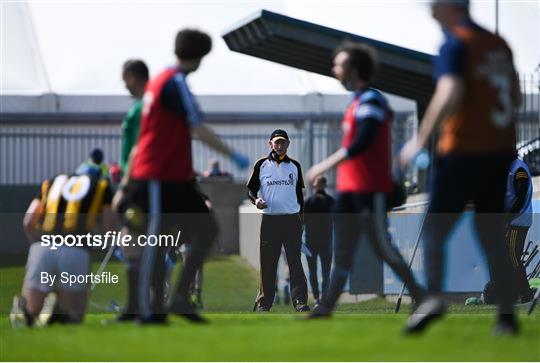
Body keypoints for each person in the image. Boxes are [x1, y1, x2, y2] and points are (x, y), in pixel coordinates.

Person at [398, 0, 521, 335]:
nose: (430, 11)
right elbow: (517, 97)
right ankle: (507, 317)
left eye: (434, 6)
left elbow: (450, 89)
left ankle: (434, 297)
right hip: (498, 152)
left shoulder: (456, 42)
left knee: (436, 228)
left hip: (464, 149)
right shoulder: (498, 44)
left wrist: (420, 139)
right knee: (491, 232)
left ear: (449, 6)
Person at [115, 28, 248, 324]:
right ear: (200, 57)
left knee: (207, 229)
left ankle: (176, 299)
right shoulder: (174, 82)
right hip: (157, 174)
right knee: (154, 238)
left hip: (173, 177)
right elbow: (196, 126)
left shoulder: (162, 81)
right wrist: (232, 154)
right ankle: (147, 310)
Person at [305, 42, 424, 319]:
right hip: (348, 189)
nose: (334, 70)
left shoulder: (372, 100)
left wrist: (324, 164)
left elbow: (363, 140)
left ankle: (422, 296)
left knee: (382, 247)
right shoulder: (356, 102)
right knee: (343, 252)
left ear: (354, 69)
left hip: (370, 189)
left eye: (339, 64)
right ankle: (325, 308)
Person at [10, 165, 115, 327]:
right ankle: (58, 312)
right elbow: (109, 224)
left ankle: (26, 313)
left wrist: (35, 246)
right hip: (76, 250)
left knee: (30, 311)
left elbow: (28, 221)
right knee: (74, 317)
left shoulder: (52, 182)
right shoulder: (101, 185)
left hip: (43, 247)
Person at [247, 129, 310, 312]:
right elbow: (250, 190)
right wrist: (256, 200)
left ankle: (300, 301)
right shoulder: (261, 165)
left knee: (295, 263)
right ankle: (264, 303)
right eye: (277, 142)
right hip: (270, 221)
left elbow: (300, 197)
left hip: (292, 221)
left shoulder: (295, 166)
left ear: (288, 144)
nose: (280, 146)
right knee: (268, 263)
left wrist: (302, 222)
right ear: (270, 144)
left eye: (283, 143)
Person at [483, 158, 534, 304]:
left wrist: (507, 218)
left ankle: (525, 293)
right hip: (507, 220)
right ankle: (500, 293)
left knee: (512, 257)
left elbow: (521, 197)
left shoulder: (518, 169)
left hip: (517, 221)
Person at [304, 175, 334, 304]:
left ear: (314, 185)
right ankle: (323, 297)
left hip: (311, 241)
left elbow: (301, 221)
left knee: (313, 271)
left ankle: (317, 298)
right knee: (325, 272)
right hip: (325, 241)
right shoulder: (331, 201)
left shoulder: (308, 201)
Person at [120, 59, 149, 176]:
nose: (125, 86)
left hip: (136, 177)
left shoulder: (142, 107)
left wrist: (125, 185)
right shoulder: (141, 105)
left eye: (125, 80)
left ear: (131, 77)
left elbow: (138, 146)